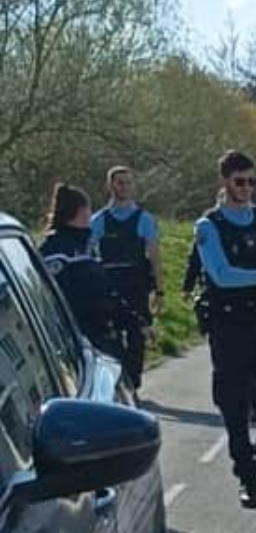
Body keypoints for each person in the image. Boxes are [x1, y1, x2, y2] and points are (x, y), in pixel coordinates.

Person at [196, 150, 256, 508]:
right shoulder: (208, 227)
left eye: (252, 181)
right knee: (234, 407)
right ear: (225, 182)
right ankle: (247, 476)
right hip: (229, 327)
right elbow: (221, 275)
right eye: (240, 182)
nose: (247, 188)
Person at [39, 183, 140, 360]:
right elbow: (82, 297)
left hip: (99, 335)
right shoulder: (58, 253)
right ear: (81, 211)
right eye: (88, 209)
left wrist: (134, 323)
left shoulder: (84, 246)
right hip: (83, 341)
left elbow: (106, 290)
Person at [91, 166, 163, 391]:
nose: (123, 187)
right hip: (109, 284)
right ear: (110, 186)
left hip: (137, 284)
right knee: (111, 336)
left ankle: (134, 381)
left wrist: (159, 291)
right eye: (119, 182)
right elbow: (89, 253)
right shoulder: (98, 220)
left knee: (137, 335)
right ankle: (119, 382)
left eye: (127, 183)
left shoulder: (144, 219)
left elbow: (154, 256)